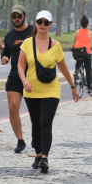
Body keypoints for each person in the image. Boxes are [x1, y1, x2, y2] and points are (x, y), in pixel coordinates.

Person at [18, 10, 79, 173]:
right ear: (36, 23)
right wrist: (24, 81)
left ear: (50, 25)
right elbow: (20, 65)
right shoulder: (27, 43)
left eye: (46, 22)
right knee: (36, 124)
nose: (42, 25)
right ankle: (38, 154)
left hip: (51, 89)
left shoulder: (56, 45)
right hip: (31, 91)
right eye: (40, 21)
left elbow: (64, 67)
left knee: (45, 122)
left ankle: (44, 157)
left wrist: (73, 87)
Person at [0, 4, 34, 153]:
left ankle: (37, 136)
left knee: (35, 111)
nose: (16, 19)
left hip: (32, 76)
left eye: (19, 16)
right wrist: (4, 58)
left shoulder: (33, 31)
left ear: (24, 16)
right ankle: (20, 140)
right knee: (13, 108)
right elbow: (5, 52)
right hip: (15, 76)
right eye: (14, 16)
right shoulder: (9, 35)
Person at [72, 15, 92, 96]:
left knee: (78, 60)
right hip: (85, 52)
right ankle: (90, 90)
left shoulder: (77, 32)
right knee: (88, 69)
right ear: (88, 24)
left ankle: (76, 72)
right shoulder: (90, 32)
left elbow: (74, 43)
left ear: (81, 24)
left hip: (76, 52)